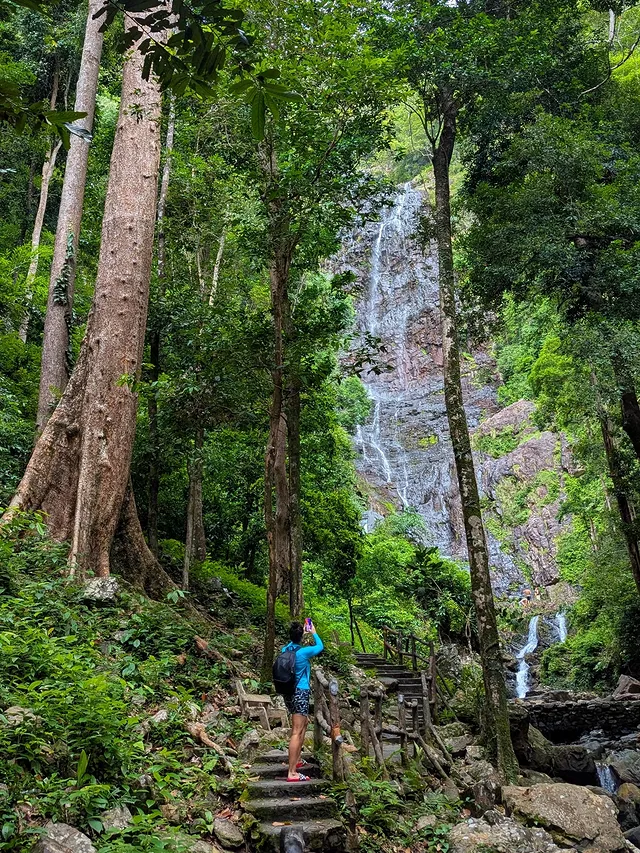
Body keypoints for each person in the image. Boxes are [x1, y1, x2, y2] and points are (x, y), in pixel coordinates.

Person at [282, 619, 323, 782]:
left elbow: (292, 644)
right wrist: (313, 632)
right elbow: (320, 647)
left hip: (288, 692)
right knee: (297, 731)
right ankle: (292, 772)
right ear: (301, 636)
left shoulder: (285, 649)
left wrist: (298, 635)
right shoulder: (303, 652)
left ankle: (297, 760)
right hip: (300, 691)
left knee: (304, 723)